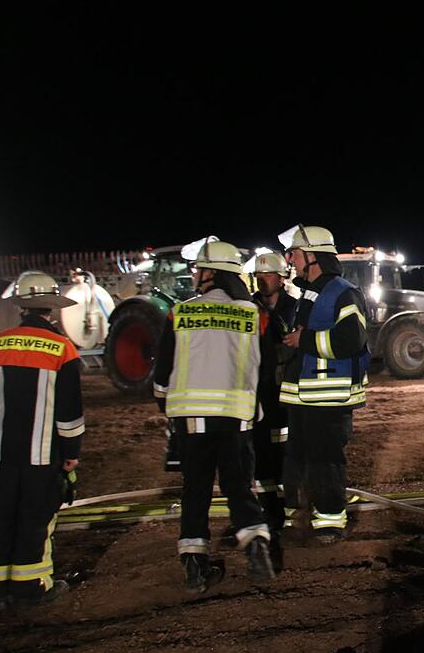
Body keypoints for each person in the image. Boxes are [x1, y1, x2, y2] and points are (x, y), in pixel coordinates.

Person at [153, 239, 275, 591]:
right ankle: (256, 547)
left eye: (198, 268)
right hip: (236, 417)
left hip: (190, 420)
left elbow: (162, 373)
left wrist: (167, 404)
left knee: (196, 491)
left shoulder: (181, 312)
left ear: (210, 273)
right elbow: (264, 370)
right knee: (239, 488)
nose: (194, 274)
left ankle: (194, 568)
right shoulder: (254, 314)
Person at [0, 272, 84, 609]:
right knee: (36, 519)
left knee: (2, 515)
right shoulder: (63, 349)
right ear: (52, 308)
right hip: (44, 454)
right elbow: (69, 413)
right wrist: (71, 453)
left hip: (0, 453)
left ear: (21, 305)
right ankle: (30, 586)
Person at [277, 225, 369, 540]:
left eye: (295, 253)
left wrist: (306, 339)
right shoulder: (305, 293)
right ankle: (299, 515)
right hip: (303, 397)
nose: (290, 258)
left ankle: (330, 521)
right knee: (299, 460)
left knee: (326, 461)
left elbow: (352, 338)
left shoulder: (343, 292)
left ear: (313, 256)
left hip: (329, 396)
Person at [249, 251, 297, 568]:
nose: (262, 280)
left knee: (287, 452)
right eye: (259, 276)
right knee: (260, 456)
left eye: (267, 275)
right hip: (257, 393)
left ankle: (291, 509)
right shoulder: (248, 308)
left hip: (285, 393)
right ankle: (270, 511)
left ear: (281, 277)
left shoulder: (294, 308)